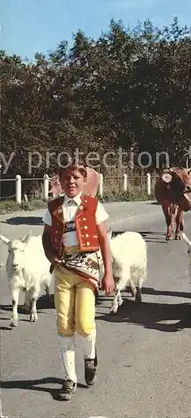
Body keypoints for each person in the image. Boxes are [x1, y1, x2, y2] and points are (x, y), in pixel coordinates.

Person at [42, 162, 115, 401]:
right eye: (66, 178)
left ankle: (90, 356)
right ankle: (70, 379)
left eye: (75, 178)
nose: (71, 182)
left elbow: (104, 239)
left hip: (88, 269)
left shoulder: (93, 205)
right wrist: (52, 256)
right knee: (64, 323)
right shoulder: (53, 207)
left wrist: (109, 274)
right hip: (63, 269)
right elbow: (45, 238)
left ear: (84, 181)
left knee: (84, 323)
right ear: (60, 182)